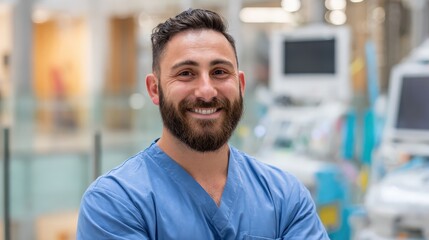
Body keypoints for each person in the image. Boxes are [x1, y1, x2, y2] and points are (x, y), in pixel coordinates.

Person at [77, 8, 329, 239]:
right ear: (155, 89)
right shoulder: (115, 202)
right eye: (186, 73)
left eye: (219, 72)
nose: (207, 92)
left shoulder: (285, 198)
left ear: (240, 85)